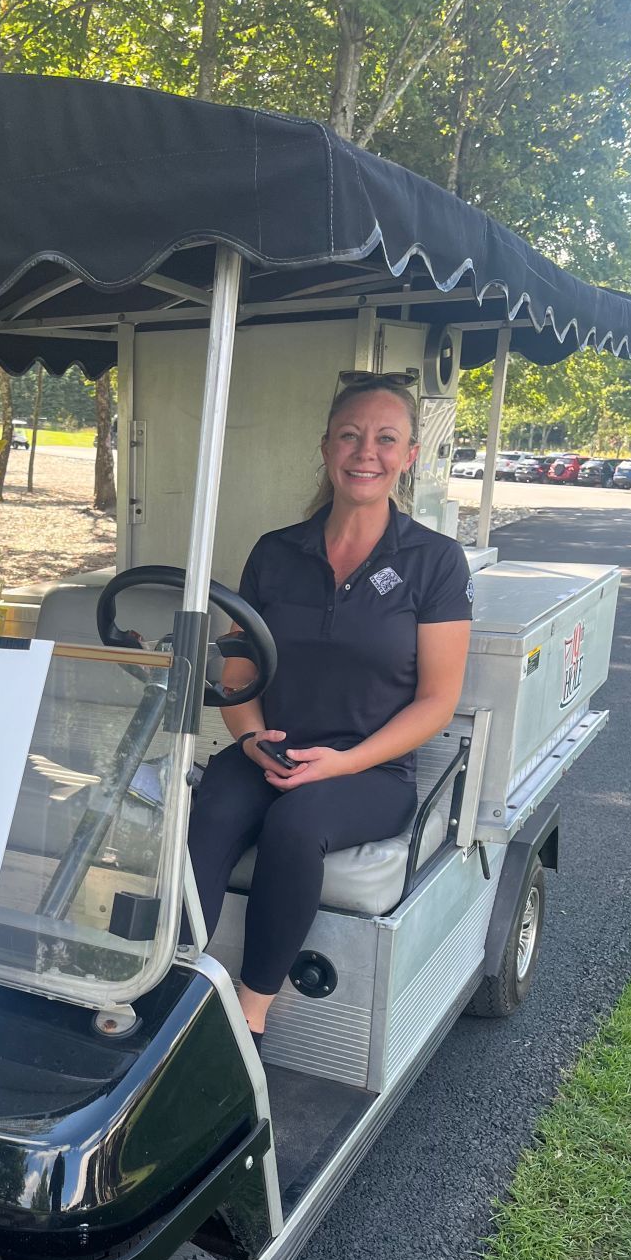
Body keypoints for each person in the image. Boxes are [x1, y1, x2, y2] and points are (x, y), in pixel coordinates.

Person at [188, 373, 473, 1050]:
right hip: (271, 750)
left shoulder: (434, 562)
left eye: (385, 439)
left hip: (369, 771)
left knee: (296, 824)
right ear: (325, 448)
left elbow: (438, 700)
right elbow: (239, 672)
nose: (365, 452)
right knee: (209, 809)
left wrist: (343, 762)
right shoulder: (274, 552)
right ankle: (176, 987)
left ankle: (251, 1016)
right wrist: (250, 740)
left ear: (409, 455)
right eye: (349, 435)